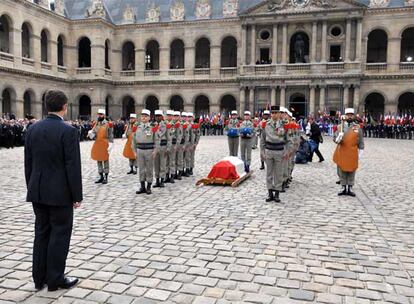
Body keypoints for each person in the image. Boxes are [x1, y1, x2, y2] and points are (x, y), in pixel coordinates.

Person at [24, 90, 82, 291]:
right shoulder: (69, 131)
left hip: (38, 191)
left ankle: (39, 279)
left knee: (41, 233)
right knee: (59, 235)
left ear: (46, 106)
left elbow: (28, 163)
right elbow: (72, 166)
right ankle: (55, 279)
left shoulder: (32, 129)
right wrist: (77, 196)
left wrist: (31, 187)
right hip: (60, 194)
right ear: (65, 107)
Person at [333, 108, 365, 197]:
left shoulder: (357, 127)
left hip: (352, 151)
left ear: (353, 116)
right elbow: (334, 139)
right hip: (342, 150)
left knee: (352, 169)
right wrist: (338, 138)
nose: (349, 116)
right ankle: (343, 186)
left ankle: (350, 186)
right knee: (342, 169)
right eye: (348, 115)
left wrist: (361, 150)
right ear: (345, 116)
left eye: (351, 115)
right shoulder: (340, 127)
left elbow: (361, 140)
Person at [261, 106, 289, 203]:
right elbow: (262, 139)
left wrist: (287, 151)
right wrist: (262, 152)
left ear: (278, 114)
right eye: (272, 113)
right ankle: (270, 193)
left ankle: (277, 193)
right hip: (269, 150)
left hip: (279, 151)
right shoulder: (265, 124)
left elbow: (287, 139)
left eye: (275, 113)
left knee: (278, 173)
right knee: (269, 173)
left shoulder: (284, 124)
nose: (274, 115)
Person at [133, 109, 159, 195]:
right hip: (140, 150)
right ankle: (142, 186)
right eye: (142, 116)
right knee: (141, 169)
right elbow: (133, 140)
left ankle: (148, 186)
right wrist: (134, 151)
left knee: (149, 169)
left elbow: (157, 140)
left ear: (149, 117)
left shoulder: (153, 127)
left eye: (145, 116)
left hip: (149, 150)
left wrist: (155, 150)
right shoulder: (137, 126)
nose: (143, 117)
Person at [88, 109, 114, 184]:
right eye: (99, 114)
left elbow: (111, 134)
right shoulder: (96, 124)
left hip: (105, 143)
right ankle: (101, 176)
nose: (99, 116)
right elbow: (94, 135)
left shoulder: (108, 124)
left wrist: (111, 143)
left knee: (105, 160)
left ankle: (106, 177)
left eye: (101, 114)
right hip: (97, 143)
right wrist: (91, 134)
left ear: (104, 115)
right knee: (98, 159)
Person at [153, 110, 168, 188]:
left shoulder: (164, 125)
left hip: (163, 146)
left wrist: (168, 148)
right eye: (156, 116)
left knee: (162, 164)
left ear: (162, 117)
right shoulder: (153, 125)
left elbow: (162, 134)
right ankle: (157, 180)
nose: (157, 117)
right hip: (155, 147)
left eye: (159, 116)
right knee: (156, 165)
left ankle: (162, 180)